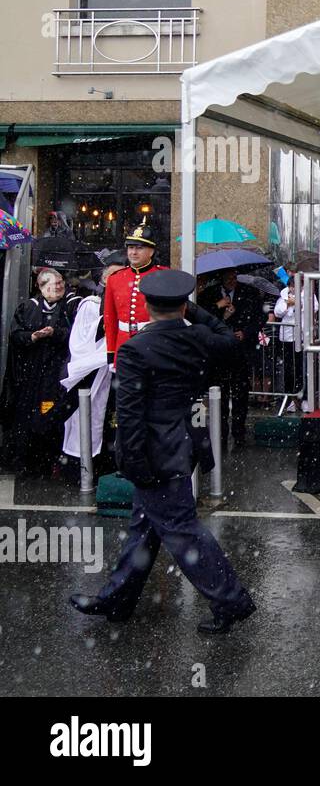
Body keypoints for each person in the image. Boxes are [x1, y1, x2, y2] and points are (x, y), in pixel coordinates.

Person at [69, 270, 256, 635]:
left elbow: (131, 414)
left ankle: (231, 600)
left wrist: (133, 462)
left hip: (154, 451)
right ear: (183, 305)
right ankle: (117, 599)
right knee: (144, 527)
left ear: (147, 308)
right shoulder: (199, 338)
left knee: (182, 530)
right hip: (183, 440)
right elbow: (226, 339)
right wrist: (196, 313)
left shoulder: (136, 349)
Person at [4, 269, 75, 476]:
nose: (60, 287)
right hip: (31, 373)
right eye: (55, 285)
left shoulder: (68, 308)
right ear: (42, 287)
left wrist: (56, 334)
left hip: (56, 373)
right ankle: (24, 461)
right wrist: (32, 337)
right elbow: (16, 335)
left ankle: (52, 461)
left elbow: (76, 335)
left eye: (61, 283)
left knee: (51, 414)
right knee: (27, 416)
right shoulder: (27, 308)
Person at [61, 256, 127, 472]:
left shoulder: (131, 304)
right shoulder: (91, 304)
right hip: (95, 372)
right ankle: (90, 468)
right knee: (91, 419)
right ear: (105, 278)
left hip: (121, 373)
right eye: (113, 275)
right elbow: (81, 340)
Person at [198, 268, 264, 445]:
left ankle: (239, 432)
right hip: (218, 353)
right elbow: (201, 318)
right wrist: (219, 309)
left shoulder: (249, 292)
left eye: (234, 277)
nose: (231, 280)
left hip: (240, 352)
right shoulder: (209, 295)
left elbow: (259, 318)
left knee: (240, 394)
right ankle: (220, 431)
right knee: (219, 394)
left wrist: (245, 332)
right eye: (228, 277)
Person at [103, 224, 165, 364]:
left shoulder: (163, 275)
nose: (133, 253)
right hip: (124, 346)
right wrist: (111, 353)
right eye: (131, 248)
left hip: (154, 345)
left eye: (139, 248)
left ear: (151, 252)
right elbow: (110, 319)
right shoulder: (115, 278)